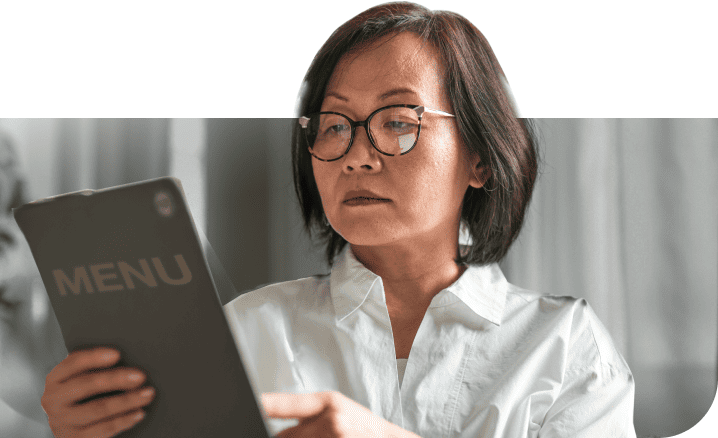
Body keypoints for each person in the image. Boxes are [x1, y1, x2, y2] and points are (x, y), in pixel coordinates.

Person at [40, 2, 637, 437]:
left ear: (480, 157)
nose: (355, 155)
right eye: (333, 125)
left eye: (398, 121)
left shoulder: (564, 346)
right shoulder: (244, 332)